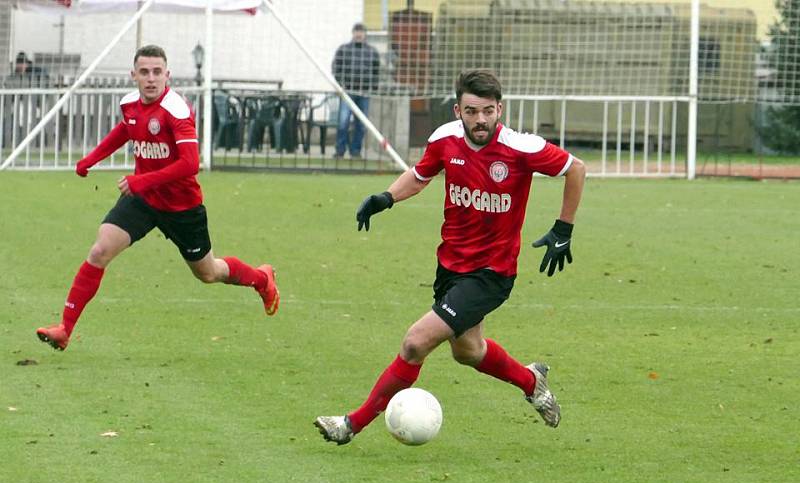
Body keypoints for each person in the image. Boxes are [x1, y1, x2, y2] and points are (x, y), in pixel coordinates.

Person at [315, 69, 586, 445]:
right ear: (459, 110)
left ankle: (350, 425)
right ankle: (531, 381)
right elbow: (420, 175)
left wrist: (564, 229)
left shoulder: (521, 147)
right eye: (472, 111)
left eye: (488, 111)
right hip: (450, 265)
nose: (480, 120)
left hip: (491, 273)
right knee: (468, 351)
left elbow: (576, 169)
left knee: (415, 342)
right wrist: (386, 197)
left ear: (499, 110)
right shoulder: (445, 140)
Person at [35, 45, 279, 352]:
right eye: (144, 72)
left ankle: (261, 278)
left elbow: (190, 164)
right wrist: (91, 158)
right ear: (133, 75)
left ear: (168, 75)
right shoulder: (130, 104)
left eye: (157, 72)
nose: (151, 79)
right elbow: (126, 130)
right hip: (144, 200)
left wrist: (140, 180)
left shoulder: (176, 110)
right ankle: (64, 329)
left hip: (181, 206)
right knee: (100, 250)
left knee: (208, 272)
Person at [331, 22, 380, 159]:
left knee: (361, 124)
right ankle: (340, 150)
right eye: (356, 31)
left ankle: (355, 151)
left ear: (365, 34)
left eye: (361, 31)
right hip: (348, 92)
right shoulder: (344, 49)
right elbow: (336, 68)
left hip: (364, 93)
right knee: (343, 122)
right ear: (353, 33)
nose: (359, 34)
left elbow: (376, 72)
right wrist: (341, 85)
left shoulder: (372, 52)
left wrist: (372, 87)